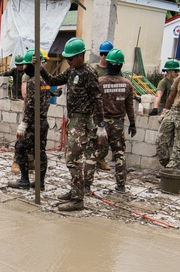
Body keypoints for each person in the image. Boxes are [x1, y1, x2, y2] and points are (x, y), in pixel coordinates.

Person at [43, 38, 104, 212]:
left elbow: (97, 100)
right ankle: (74, 190)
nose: (68, 61)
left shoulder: (88, 73)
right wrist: (40, 69)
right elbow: (52, 81)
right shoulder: (71, 71)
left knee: (73, 159)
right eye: (67, 58)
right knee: (71, 158)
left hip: (83, 121)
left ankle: (78, 199)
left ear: (80, 55)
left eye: (71, 58)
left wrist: (100, 126)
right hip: (73, 120)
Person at [8, 50, 52, 190]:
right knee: (40, 152)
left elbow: (31, 104)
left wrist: (24, 123)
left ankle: (24, 180)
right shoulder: (45, 80)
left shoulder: (33, 81)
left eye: (27, 65)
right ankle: (40, 183)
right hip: (43, 122)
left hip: (33, 123)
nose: (25, 68)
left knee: (20, 147)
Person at [97, 49, 137, 192]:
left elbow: (94, 105)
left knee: (92, 154)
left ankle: (86, 185)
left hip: (101, 124)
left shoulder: (99, 82)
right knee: (119, 153)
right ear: (121, 66)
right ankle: (121, 185)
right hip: (118, 123)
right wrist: (132, 124)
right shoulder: (127, 84)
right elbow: (130, 107)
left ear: (107, 64)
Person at [93, 40, 115, 171]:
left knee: (108, 138)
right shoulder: (94, 70)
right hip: (97, 109)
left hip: (111, 109)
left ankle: (100, 158)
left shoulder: (114, 70)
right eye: (102, 54)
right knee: (99, 137)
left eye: (106, 54)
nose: (104, 57)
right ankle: (97, 158)